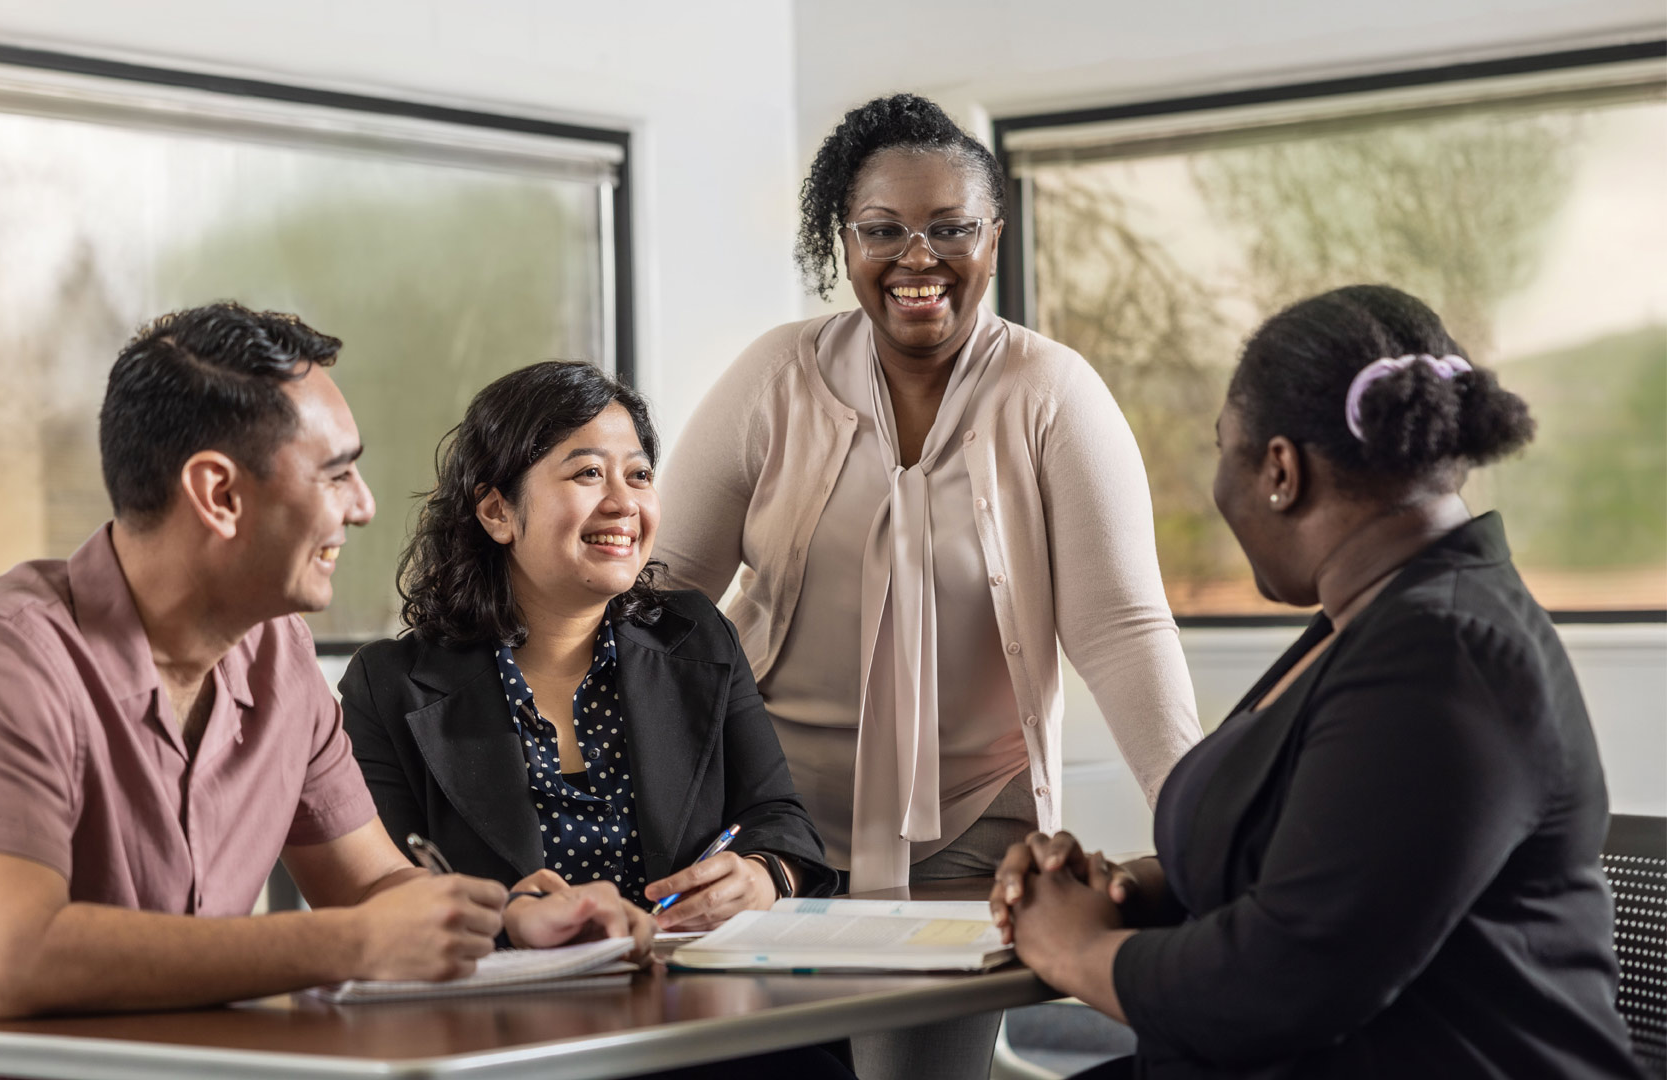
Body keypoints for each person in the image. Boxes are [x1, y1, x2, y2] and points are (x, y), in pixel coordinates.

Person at [0, 304, 652, 1079]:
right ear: (220, 495)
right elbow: (15, 960)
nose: (363, 507)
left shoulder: (276, 652)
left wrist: (504, 920)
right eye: (336, 475)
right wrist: (348, 943)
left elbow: (369, 887)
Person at [653, 93, 1201, 1078]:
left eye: (952, 228)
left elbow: (1120, 627)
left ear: (994, 237)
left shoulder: (1053, 394)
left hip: (965, 837)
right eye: (884, 230)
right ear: (843, 239)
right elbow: (656, 603)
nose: (919, 257)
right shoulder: (773, 379)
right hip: (760, 831)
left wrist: (1205, 830)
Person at [991, 285, 1644, 1079]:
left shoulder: (1443, 655)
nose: (1218, 484)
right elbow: (1295, 860)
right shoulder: (1367, 621)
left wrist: (1078, 947)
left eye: (1221, 447)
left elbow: (1278, 984)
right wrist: (1113, 888)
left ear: (1279, 469)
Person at [341, 361, 838, 933]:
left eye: (640, 475)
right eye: (588, 475)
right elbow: (378, 894)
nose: (624, 503)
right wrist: (509, 921)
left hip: (694, 998)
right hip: (498, 1011)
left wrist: (763, 873)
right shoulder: (388, 687)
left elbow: (778, 818)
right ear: (497, 511)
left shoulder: (697, 636)